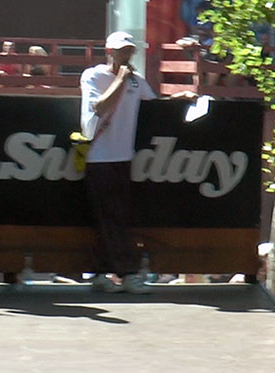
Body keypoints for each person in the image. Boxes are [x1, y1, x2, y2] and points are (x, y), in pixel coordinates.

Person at [80, 32, 194, 294]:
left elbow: (154, 104)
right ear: (109, 51)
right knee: (107, 218)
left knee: (119, 218)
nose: (127, 55)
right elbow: (98, 107)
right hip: (99, 157)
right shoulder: (93, 76)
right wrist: (120, 79)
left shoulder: (136, 81)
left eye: (130, 51)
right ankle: (122, 273)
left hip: (123, 158)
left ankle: (107, 273)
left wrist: (180, 98)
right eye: (122, 51)